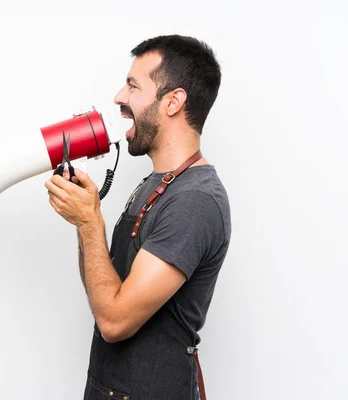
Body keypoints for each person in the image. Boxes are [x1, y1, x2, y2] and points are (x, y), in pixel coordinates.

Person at [45, 34, 231, 400]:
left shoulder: (195, 200)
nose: (118, 97)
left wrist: (89, 223)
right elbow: (109, 289)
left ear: (174, 101)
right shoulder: (155, 184)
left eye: (133, 85)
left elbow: (114, 321)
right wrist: (86, 221)